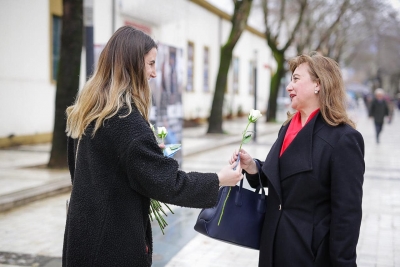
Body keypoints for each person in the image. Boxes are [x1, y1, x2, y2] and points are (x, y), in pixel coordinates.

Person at [62, 26, 243, 267]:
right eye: (150, 64)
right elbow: (169, 183)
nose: (154, 73)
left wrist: (144, 155)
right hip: (112, 248)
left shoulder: (87, 111)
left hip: (82, 239)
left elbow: (85, 171)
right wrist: (219, 179)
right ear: (132, 65)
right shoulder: (127, 122)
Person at [230, 52, 365, 266]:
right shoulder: (287, 128)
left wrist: (343, 262)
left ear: (318, 85)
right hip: (273, 244)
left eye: (296, 79)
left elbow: (347, 214)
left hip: (308, 252)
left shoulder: (344, 139)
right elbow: (285, 177)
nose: (288, 87)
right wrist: (253, 167)